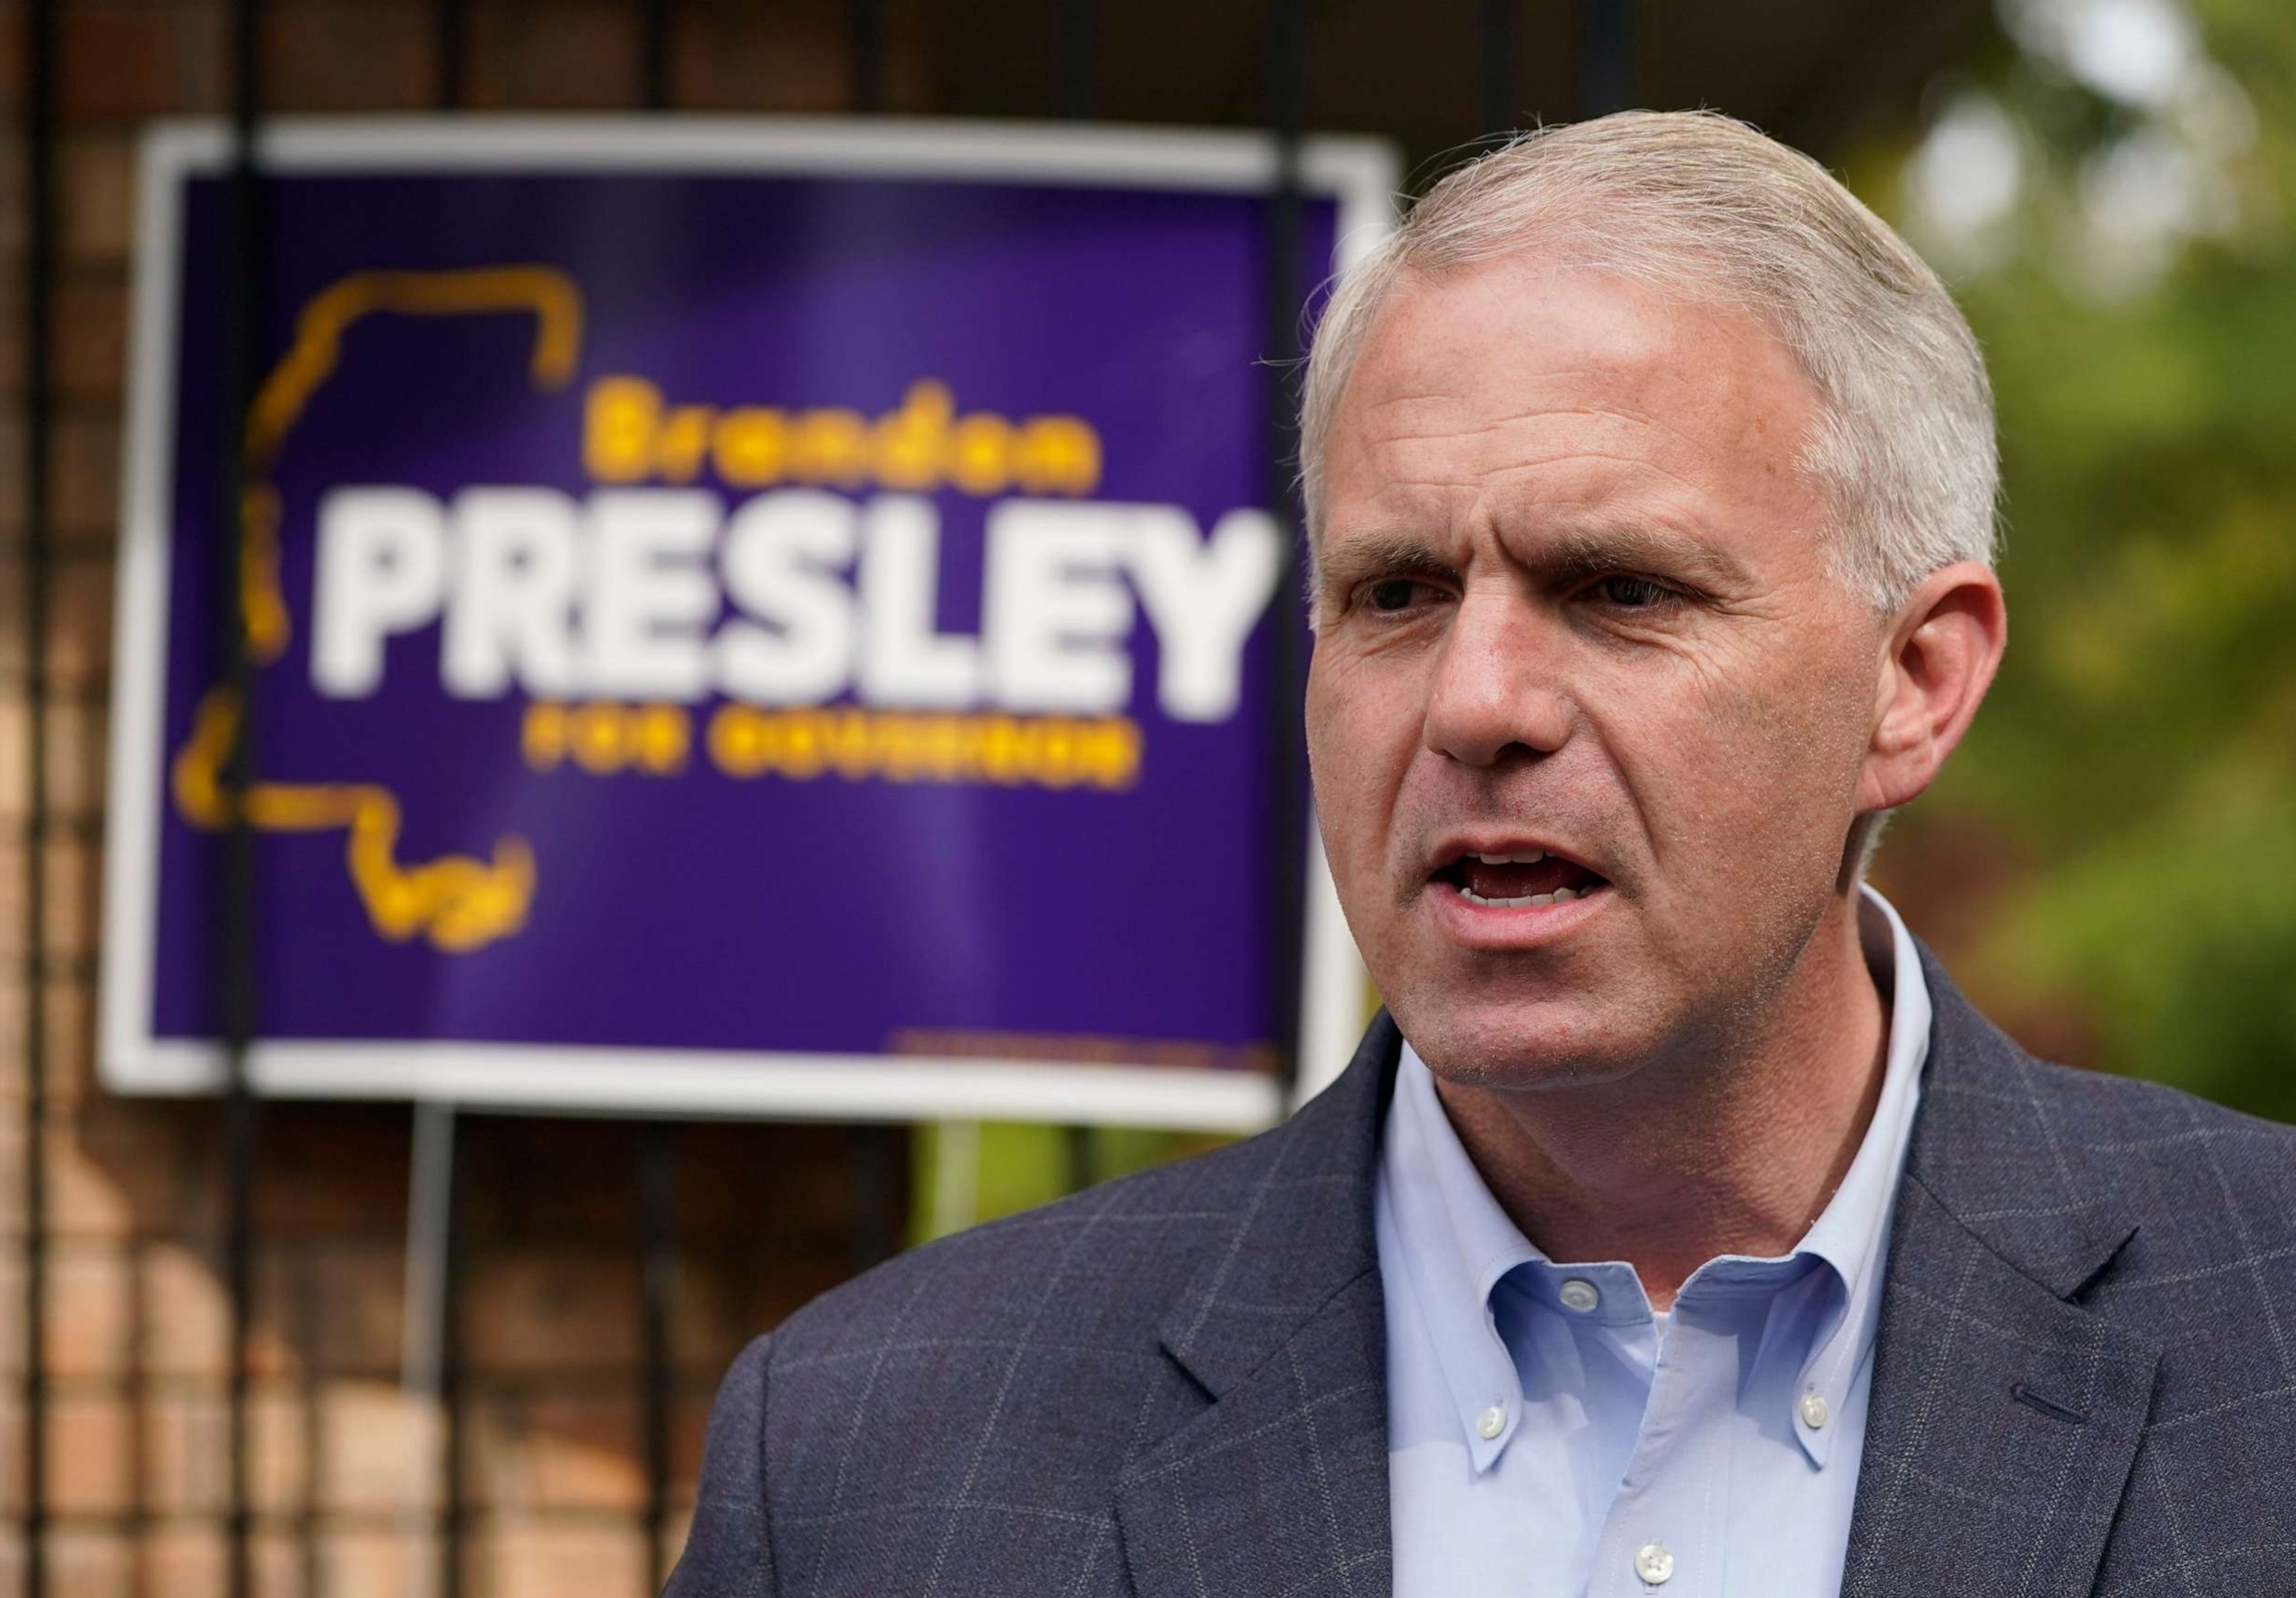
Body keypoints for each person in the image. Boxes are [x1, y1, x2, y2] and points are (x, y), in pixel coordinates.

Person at [664, 111, 2296, 1597]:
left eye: (1619, 589)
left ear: (1915, 679)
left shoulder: (2261, 1339)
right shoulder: (868, 1463)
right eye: (1396, 593)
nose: (1478, 703)